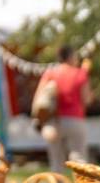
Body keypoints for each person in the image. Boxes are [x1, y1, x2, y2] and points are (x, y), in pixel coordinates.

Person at [35, 45, 92, 173]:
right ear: (71, 56)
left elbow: (39, 96)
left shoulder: (50, 73)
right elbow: (87, 99)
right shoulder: (80, 73)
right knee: (79, 160)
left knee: (56, 163)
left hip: (54, 121)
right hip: (75, 120)